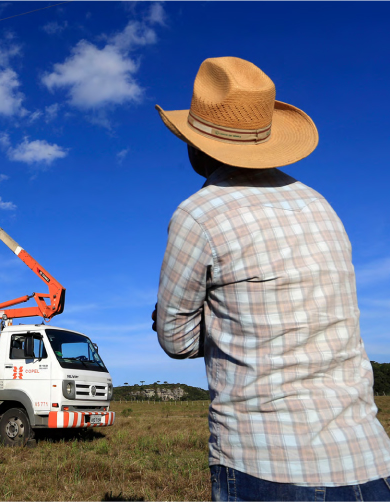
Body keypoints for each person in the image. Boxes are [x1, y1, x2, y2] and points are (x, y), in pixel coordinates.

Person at [152, 57, 390, 500]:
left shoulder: (198, 215)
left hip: (266, 463)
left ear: (196, 145)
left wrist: (212, 317)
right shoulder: (321, 205)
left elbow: (176, 340)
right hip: (369, 458)